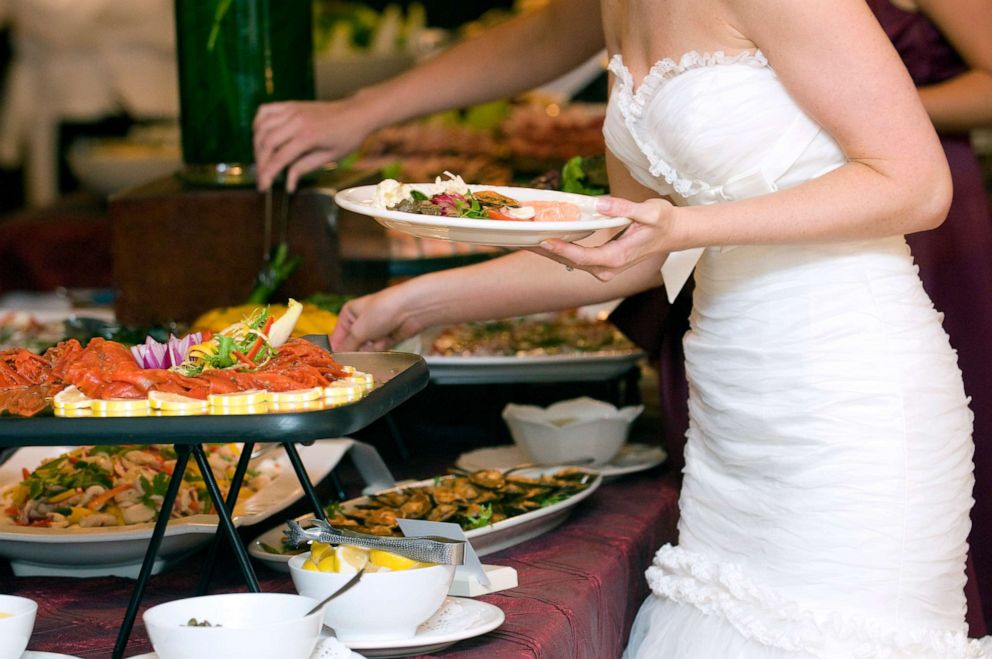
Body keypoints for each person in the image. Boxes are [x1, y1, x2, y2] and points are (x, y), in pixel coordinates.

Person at [256, 0, 990, 654]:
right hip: (730, 422)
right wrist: (417, 303)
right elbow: (631, 248)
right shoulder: (616, 8)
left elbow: (916, 182)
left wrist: (692, 226)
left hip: (854, 400)